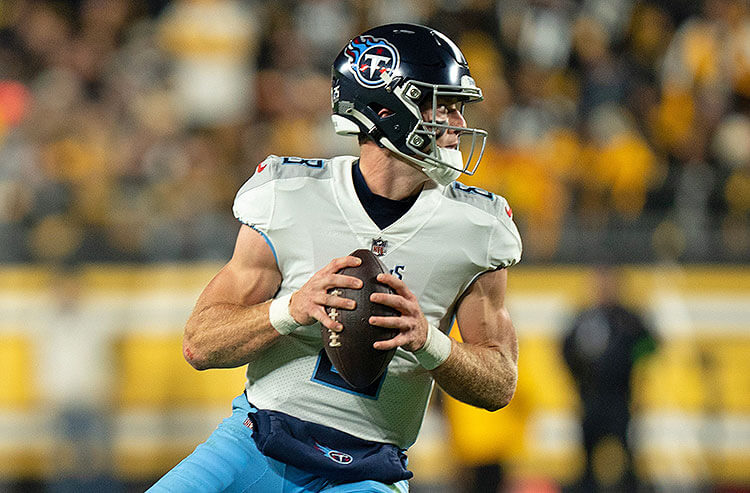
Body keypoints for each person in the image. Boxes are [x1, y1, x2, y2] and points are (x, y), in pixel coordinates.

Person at [148, 23, 522, 493]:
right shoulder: (289, 194)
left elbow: (500, 384)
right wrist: (291, 309)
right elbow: (200, 344)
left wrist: (429, 341)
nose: (459, 125)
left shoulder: (478, 226)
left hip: (369, 471)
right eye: (444, 106)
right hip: (256, 444)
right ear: (386, 111)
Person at [562, 266, 658, 493]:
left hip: (619, 398)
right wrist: (577, 381)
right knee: (587, 458)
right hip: (590, 398)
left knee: (626, 456)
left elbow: (650, 346)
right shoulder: (584, 317)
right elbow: (566, 350)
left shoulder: (628, 319)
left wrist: (636, 369)